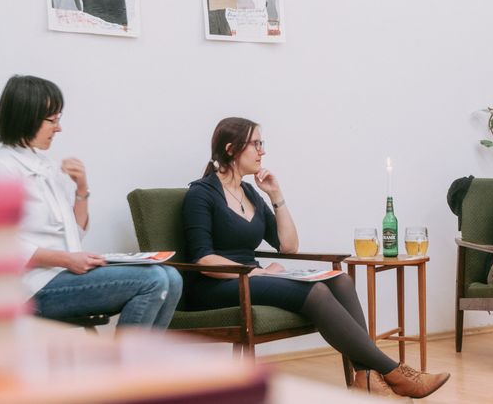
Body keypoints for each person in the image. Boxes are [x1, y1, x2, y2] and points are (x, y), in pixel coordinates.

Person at [182, 117, 450, 399]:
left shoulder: (249, 192)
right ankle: (395, 372)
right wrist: (257, 272)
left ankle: (366, 376)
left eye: (262, 143)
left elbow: (289, 245)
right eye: (256, 144)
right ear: (231, 148)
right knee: (317, 292)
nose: (263, 151)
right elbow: (203, 260)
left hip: (250, 279)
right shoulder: (201, 194)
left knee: (340, 280)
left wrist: (276, 195)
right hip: (216, 287)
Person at [0, 75, 182, 329]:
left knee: (172, 277)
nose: (58, 128)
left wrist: (81, 189)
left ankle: (143, 355)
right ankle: (125, 356)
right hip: (31, 288)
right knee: (153, 280)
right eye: (52, 120)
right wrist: (65, 260)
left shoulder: (45, 167)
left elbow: (75, 235)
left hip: (62, 275)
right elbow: (0, 247)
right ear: (26, 117)